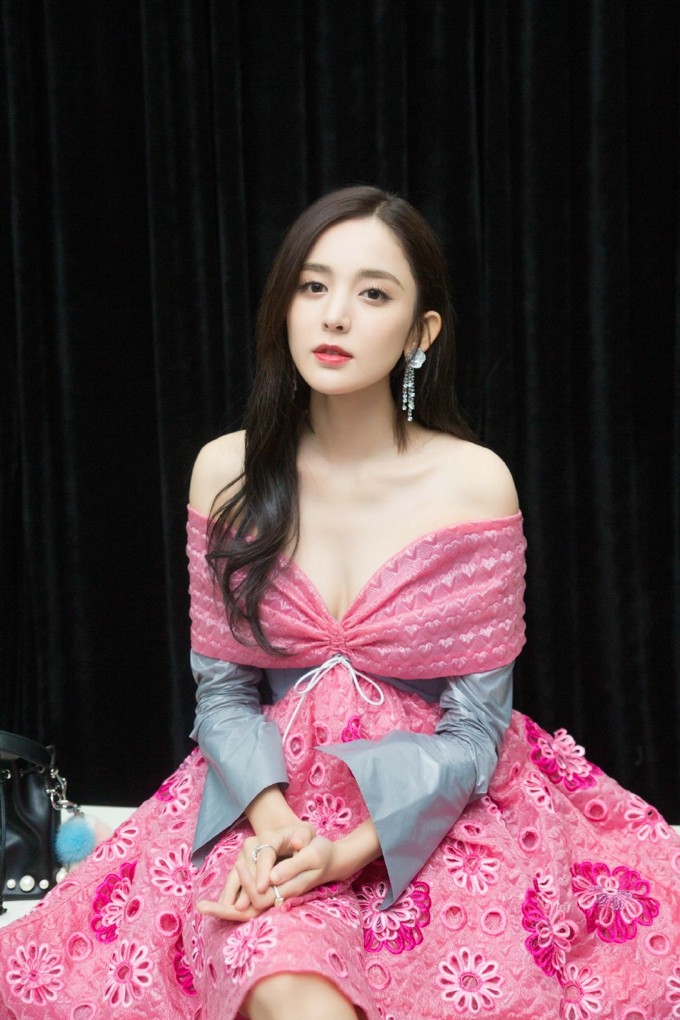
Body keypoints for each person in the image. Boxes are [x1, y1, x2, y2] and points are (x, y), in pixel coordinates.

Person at [1, 186, 679, 1019]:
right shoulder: (226, 471)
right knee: (277, 979)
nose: (335, 316)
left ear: (421, 332)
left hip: (440, 811)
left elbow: (476, 728)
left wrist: (351, 850)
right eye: (313, 286)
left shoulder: (473, 483)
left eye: (374, 293)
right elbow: (223, 695)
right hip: (267, 799)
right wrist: (280, 831)